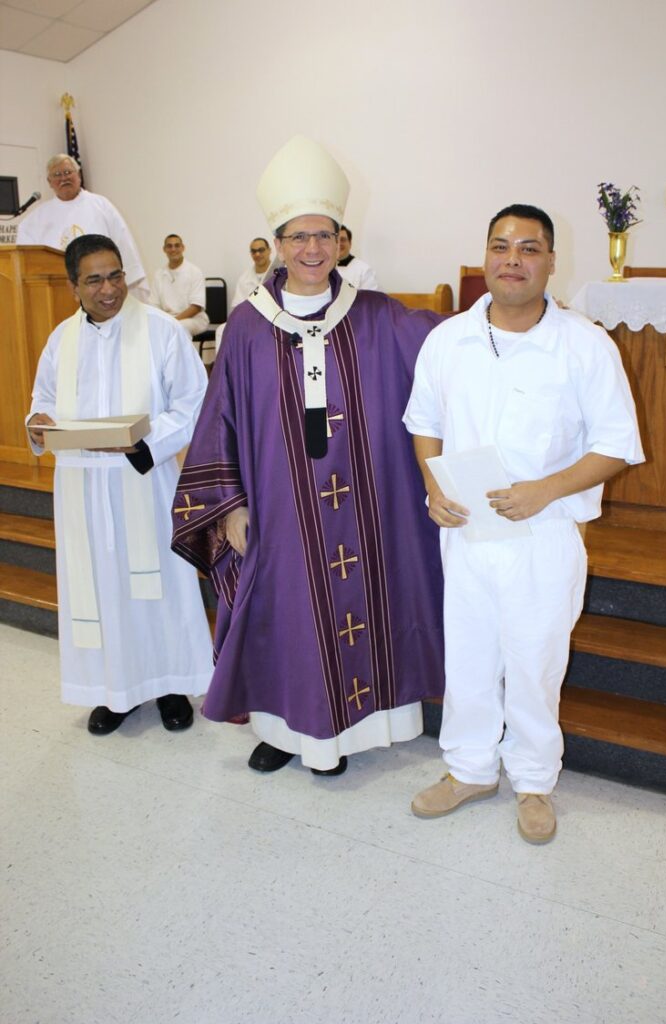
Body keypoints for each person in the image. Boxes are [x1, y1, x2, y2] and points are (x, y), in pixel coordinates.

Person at [171, 135, 444, 776]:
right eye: (299, 236)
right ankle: (284, 729)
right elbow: (221, 419)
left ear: (344, 241)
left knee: (364, 604)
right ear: (277, 243)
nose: (313, 249)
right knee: (285, 612)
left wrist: (508, 316)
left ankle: (353, 733)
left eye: (325, 235)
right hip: (279, 507)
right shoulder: (246, 325)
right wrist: (229, 505)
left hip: (367, 507)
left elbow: (448, 348)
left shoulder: (377, 315)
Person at [403, 204, 644, 842]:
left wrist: (546, 490)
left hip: (544, 533)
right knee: (469, 657)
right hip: (466, 529)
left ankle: (534, 781)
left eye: (529, 248)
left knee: (536, 663)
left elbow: (617, 445)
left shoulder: (584, 344)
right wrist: (433, 484)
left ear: (551, 261)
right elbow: (424, 421)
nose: (513, 259)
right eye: (501, 246)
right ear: (485, 256)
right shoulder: (447, 339)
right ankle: (469, 769)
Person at [27, 234, 213, 735]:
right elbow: (42, 401)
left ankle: (171, 686)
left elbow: (194, 402)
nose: (109, 289)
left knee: (158, 587)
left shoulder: (160, 330)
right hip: (83, 487)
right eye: (94, 280)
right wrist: (37, 423)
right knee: (102, 588)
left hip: (143, 479)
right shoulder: (61, 340)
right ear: (73, 286)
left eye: (115, 276)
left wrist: (144, 444)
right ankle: (116, 691)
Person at [17, 154, 149, 299]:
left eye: (68, 172)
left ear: (78, 175)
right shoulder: (36, 219)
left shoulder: (101, 206)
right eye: (57, 175)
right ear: (50, 182)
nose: (63, 178)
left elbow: (123, 243)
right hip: (56, 294)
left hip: (102, 290)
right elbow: (26, 259)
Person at [150, 233, 209, 338]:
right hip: (168, 319)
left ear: (183, 248)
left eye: (177, 245)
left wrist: (173, 321)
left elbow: (196, 307)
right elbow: (154, 305)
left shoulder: (194, 272)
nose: (173, 249)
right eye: (169, 246)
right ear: (164, 249)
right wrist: (163, 321)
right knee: (149, 329)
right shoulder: (158, 274)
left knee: (178, 328)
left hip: (194, 319)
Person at [230, 236, 278, 311]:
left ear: (269, 250)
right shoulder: (244, 279)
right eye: (253, 251)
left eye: (261, 250)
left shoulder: (279, 275)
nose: (257, 254)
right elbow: (237, 308)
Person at [336, 224, 379, 290]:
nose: (339, 244)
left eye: (343, 240)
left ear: (350, 243)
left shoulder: (364, 271)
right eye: (336, 240)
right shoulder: (323, 268)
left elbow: (371, 296)